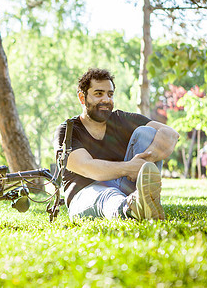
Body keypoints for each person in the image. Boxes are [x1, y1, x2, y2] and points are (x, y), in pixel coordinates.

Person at [54, 68, 179, 221]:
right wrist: (130, 168)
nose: (106, 100)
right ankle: (129, 209)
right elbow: (87, 167)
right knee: (108, 195)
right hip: (85, 194)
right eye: (99, 94)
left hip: (125, 186)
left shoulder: (121, 119)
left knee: (148, 133)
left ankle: (144, 201)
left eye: (110, 94)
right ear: (82, 98)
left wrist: (147, 160)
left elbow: (170, 134)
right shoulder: (67, 130)